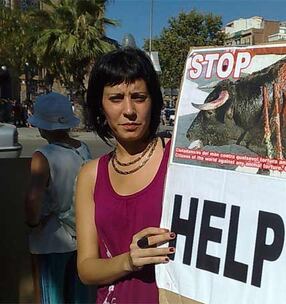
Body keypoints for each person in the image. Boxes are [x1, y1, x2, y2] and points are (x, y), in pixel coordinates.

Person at [76, 47, 176, 304]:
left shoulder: (178, 160)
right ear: (101, 106)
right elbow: (87, 269)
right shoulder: (91, 174)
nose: (129, 110)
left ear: (153, 101)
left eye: (139, 97)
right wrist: (128, 261)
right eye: (116, 98)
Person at [24, 92, 93, 303]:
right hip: (81, 237)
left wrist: (33, 224)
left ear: (43, 126)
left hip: (50, 239)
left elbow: (34, 198)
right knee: (78, 296)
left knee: (50, 296)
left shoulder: (43, 155)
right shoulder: (84, 149)